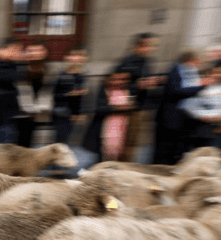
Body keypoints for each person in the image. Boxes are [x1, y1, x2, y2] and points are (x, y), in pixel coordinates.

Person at [114, 32, 165, 162]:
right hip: (129, 108)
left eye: (152, 46)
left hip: (142, 107)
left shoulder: (148, 61)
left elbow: (147, 81)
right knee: (123, 141)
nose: (150, 49)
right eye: (147, 46)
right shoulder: (126, 61)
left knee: (134, 142)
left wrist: (155, 82)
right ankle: (120, 166)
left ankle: (127, 165)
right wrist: (138, 85)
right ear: (138, 46)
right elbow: (116, 84)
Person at [152, 50, 207, 165]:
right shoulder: (175, 70)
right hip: (169, 120)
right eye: (197, 63)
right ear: (189, 60)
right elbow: (175, 91)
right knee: (163, 153)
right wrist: (200, 86)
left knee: (173, 153)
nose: (197, 67)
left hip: (180, 121)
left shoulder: (186, 72)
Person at [82, 71, 137, 162]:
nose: (118, 82)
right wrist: (118, 108)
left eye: (122, 79)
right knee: (103, 156)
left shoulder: (127, 91)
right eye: (115, 79)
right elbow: (97, 108)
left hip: (122, 129)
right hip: (104, 129)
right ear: (108, 80)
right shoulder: (103, 91)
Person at [51, 46, 89, 145]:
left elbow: (82, 99)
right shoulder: (61, 75)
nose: (76, 58)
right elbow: (54, 95)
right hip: (61, 113)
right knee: (60, 142)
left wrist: (79, 113)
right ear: (67, 58)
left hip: (74, 114)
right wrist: (68, 94)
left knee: (67, 141)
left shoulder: (82, 77)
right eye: (73, 55)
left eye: (79, 56)